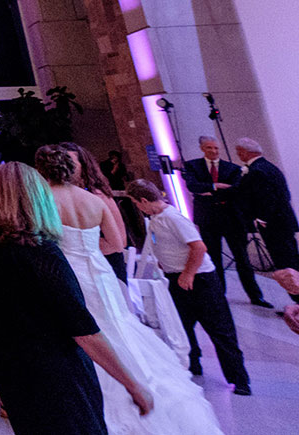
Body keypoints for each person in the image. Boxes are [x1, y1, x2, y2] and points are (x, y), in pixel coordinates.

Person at [35, 145, 220, 433]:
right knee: (116, 326)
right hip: (99, 271)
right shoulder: (95, 199)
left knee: (81, 331)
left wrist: (68, 252)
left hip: (68, 273)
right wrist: (87, 250)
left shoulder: (44, 200)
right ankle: (138, 385)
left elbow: (39, 242)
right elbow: (118, 244)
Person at [0, 162, 151, 435]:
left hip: (8, 363)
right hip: (53, 369)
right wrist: (132, 384)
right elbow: (82, 329)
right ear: (36, 197)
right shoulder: (39, 249)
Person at [126, 179, 249, 395]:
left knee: (219, 329)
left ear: (144, 200)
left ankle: (239, 379)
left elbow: (198, 247)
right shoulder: (155, 218)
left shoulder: (173, 217)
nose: (138, 207)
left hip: (199, 279)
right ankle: (193, 365)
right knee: (182, 326)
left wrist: (188, 274)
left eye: (137, 203)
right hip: (175, 278)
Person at [181, 136, 267, 305]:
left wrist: (208, 192)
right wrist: (216, 186)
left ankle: (255, 296)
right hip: (208, 219)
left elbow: (235, 189)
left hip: (232, 218)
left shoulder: (233, 169)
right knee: (213, 257)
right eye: (209, 148)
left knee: (242, 258)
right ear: (202, 149)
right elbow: (193, 186)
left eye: (216, 148)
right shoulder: (192, 166)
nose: (213, 151)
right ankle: (219, 294)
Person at [63, 142, 133, 284]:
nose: (66, 167)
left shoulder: (98, 195)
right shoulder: (62, 196)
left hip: (106, 265)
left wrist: (81, 243)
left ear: (84, 166)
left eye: (70, 161)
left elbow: (121, 240)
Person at [233, 137, 299, 277]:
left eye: (239, 151)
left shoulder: (256, 171)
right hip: (284, 222)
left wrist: (261, 219)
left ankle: (296, 293)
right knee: (292, 258)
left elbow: (267, 199)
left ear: (244, 152)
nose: (238, 155)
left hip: (274, 225)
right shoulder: (269, 166)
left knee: (284, 262)